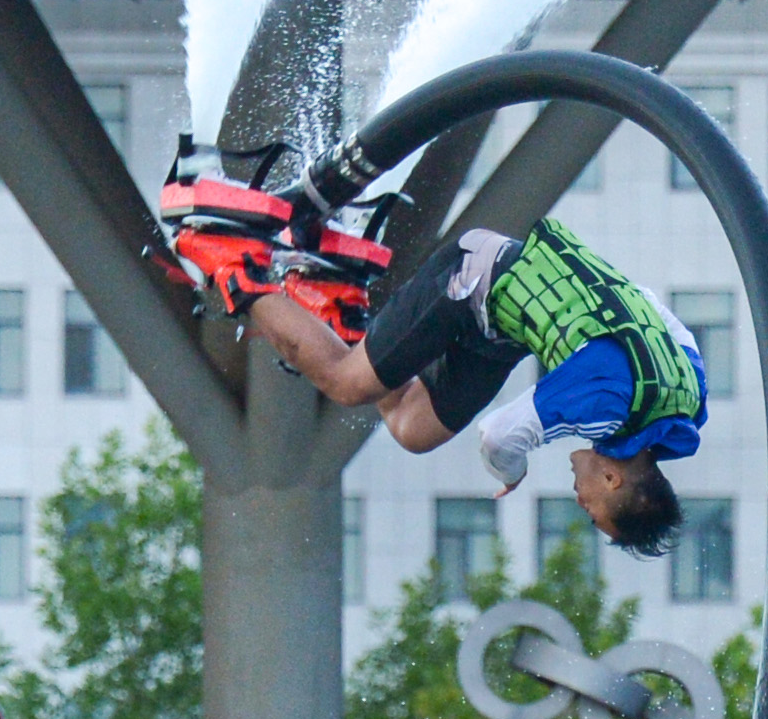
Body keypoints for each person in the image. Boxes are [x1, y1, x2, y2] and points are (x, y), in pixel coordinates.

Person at [174, 178, 698, 554]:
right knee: (347, 384)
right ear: (611, 479)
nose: (579, 501)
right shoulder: (603, 400)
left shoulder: (685, 404)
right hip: (475, 278)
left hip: (503, 331)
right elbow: (499, 437)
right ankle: (232, 261)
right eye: (591, 510)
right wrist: (512, 471)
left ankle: (344, 307)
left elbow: (657, 312)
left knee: (414, 429)